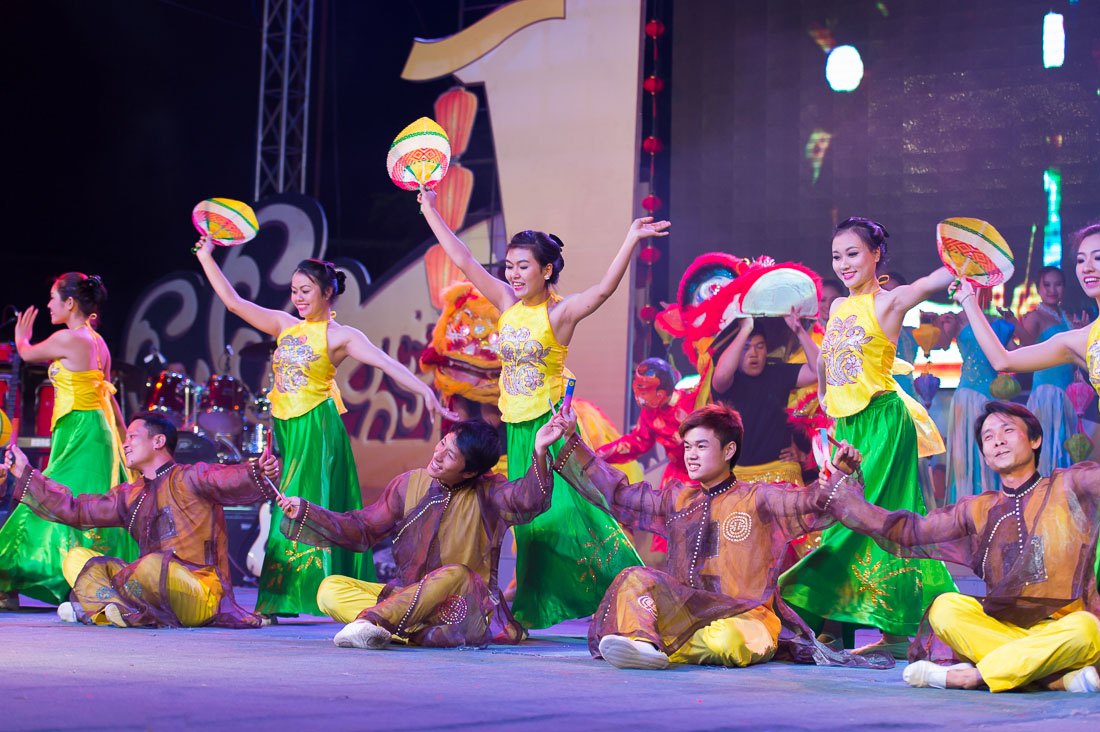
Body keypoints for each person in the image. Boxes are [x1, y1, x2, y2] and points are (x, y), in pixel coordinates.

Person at [419, 187, 670, 628]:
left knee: (576, 513)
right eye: (509, 266)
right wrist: (430, 209)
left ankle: (634, 591)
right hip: (517, 428)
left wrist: (631, 240)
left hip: (549, 428)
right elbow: (463, 260)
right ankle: (534, 600)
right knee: (527, 520)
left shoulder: (560, 314)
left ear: (546, 269)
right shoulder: (506, 303)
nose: (513, 274)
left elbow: (604, 290)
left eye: (524, 266)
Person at [196, 240, 450, 617]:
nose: (297, 298)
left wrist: (424, 390)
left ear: (327, 292)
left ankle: (290, 597)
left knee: (298, 502)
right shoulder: (284, 325)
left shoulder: (341, 336)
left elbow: (384, 362)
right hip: (286, 427)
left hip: (316, 427)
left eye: (305, 291)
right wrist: (205, 256)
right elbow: (234, 303)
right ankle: (301, 593)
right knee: (293, 500)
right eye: (294, 291)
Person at [546, 403, 890, 671]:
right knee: (634, 577)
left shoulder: (760, 497)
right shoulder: (677, 499)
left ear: (728, 451)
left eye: (701, 446)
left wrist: (841, 474)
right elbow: (618, 493)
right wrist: (573, 441)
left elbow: (812, 502)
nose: (691, 455)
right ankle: (646, 645)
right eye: (687, 447)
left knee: (726, 643)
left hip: (748, 617)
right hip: (688, 613)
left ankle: (652, 646)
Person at [823, 401, 1100, 693]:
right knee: (945, 608)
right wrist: (843, 487)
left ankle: (973, 677)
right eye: (989, 438)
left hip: (1060, 628)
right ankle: (1055, 678)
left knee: (1087, 629)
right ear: (985, 454)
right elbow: (908, 530)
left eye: (1008, 431)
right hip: (1000, 629)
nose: (998, 441)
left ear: (1035, 439)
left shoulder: (1069, 485)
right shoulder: (978, 509)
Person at [779, 216, 956, 658]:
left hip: (882, 422)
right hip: (849, 427)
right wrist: (822, 392)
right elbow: (828, 360)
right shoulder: (838, 308)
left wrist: (960, 262)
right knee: (854, 520)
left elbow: (928, 283)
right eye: (836, 255)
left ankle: (831, 619)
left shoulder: (890, 301)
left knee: (864, 517)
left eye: (852, 253)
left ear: (876, 255)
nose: (842, 263)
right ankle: (880, 634)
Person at [273, 418, 566, 649]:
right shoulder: (408, 484)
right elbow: (362, 529)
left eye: (450, 455)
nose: (438, 454)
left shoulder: (489, 492)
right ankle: (408, 631)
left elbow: (528, 499)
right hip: (408, 597)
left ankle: (377, 624)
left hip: (463, 607)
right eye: (442, 443)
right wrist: (306, 511)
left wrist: (540, 452)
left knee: (457, 574)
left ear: (468, 472)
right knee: (329, 590)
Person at [0, 413, 282, 628]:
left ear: (158, 441)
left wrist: (258, 469)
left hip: (198, 592)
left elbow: (232, 478)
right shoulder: (128, 494)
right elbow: (76, 510)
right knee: (76, 558)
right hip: (146, 586)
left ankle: (106, 606)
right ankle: (119, 610)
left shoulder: (193, 477)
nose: (125, 444)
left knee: (155, 564)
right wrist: (26, 473)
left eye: (133, 437)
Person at [0, 273, 137, 610]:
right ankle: (82, 581)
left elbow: (26, 353)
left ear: (70, 303)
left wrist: (21, 336)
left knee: (48, 497)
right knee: (81, 504)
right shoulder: (98, 341)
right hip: (95, 430)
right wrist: (122, 437)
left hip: (81, 430)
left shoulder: (68, 338)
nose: (48, 304)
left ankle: (11, 575)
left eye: (52, 297)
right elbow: (110, 397)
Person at [710, 314, 818, 485]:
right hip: (737, 475)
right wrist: (745, 329)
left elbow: (818, 371)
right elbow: (721, 374)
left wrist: (799, 331)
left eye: (760, 347)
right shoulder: (729, 381)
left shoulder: (777, 372)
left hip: (779, 471)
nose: (754, 354)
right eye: (746, 348)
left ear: (767, 349)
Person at [1018, 266, 1079, 475]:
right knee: (1048, 454)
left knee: (1066, 452)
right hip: (1047, 395)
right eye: (1047, 285)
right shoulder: (1035, 317)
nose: (1053, 289)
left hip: (1069, 396)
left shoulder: (1067, 317)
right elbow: (1026, 346)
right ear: (1039, 288)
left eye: (1058, 284)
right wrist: (1014, 326)